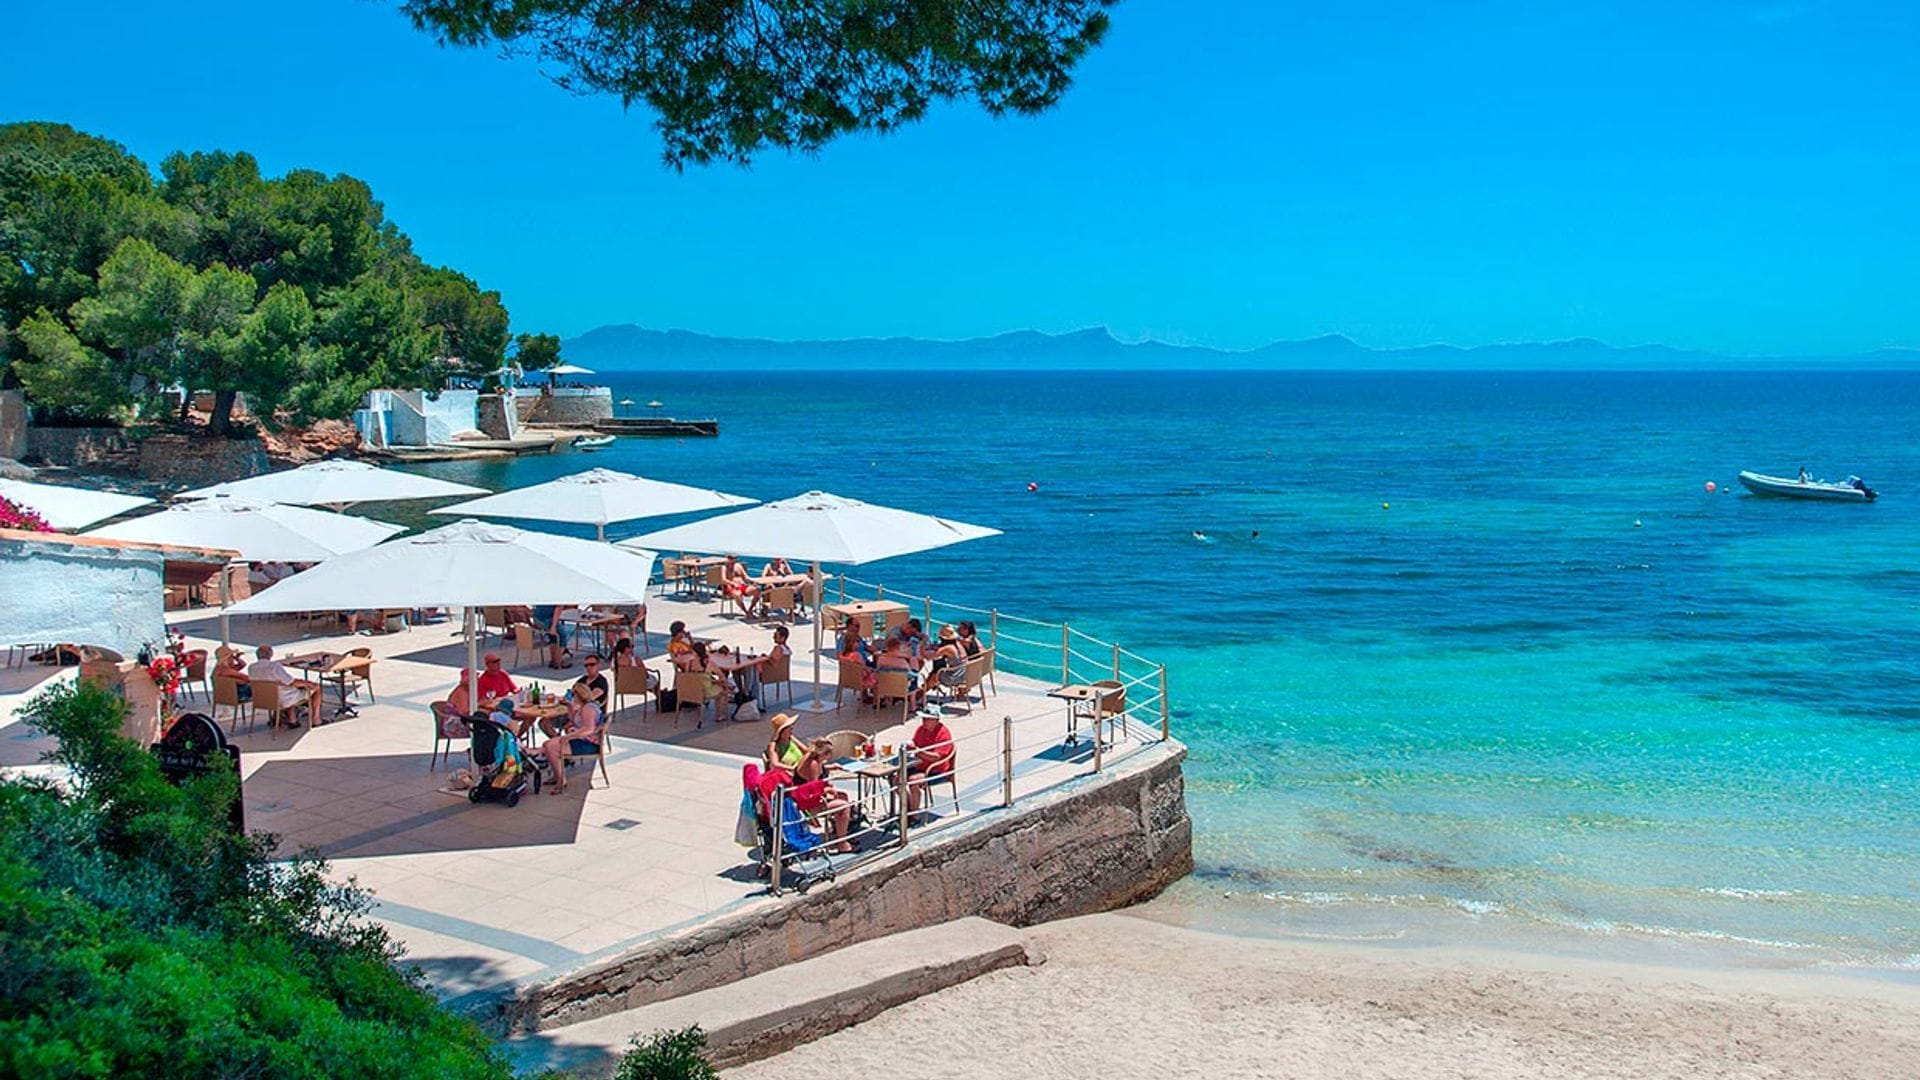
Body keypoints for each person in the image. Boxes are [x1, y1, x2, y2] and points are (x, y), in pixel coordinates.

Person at [792, 737, 853, 852]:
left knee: (843, 796)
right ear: (824, 754)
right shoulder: (813, 765)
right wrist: (828, 790)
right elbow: (814, 790)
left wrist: (831, 768)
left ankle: (839, 831)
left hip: (805, 797)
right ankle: (842, 843)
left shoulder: (812, 759)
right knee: (844, 806)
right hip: (808, 805)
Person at [246, 644, 319, 728]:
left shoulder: (251, 667)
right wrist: (308, 683)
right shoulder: (274, 667)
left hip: (263, 699)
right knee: (316, 689)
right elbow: (291, 682)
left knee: (287, 691)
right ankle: (316, 720)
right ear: (271, 654)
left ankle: (291, 719)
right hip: (282, 699)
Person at [539, 700, 602, 795]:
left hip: (587, 744)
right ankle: (558, 776)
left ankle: (561, 780)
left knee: (550, 747)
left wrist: (568, 736)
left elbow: (589, 729)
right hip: (582, 739)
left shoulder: (589, 709)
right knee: (547, 745)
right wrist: (569, 706)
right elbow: (576, 723)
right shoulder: (584, 707)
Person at [903, 710, 955, 817]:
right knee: (896, 778)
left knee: (913, 781)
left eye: (927, 718)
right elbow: (915, 742)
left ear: (936, 720)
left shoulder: (943, 734)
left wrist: (918, 751)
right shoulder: (921, 729)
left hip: (936, 770)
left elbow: (936, 758)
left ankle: (914, 816)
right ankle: (910, 806)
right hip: (920, 765)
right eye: (923, 718)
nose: (924, 721)